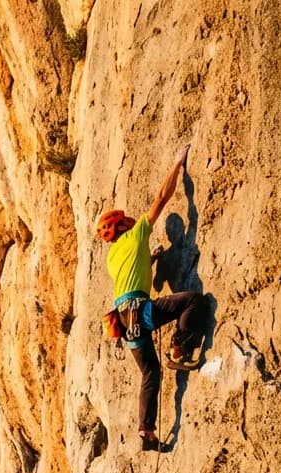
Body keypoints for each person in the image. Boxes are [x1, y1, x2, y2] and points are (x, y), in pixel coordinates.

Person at [99, 143, 204, 450]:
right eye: (126, 221)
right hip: (140, 309)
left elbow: (132, 272)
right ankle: (179, 348)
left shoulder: (113, 256)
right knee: (192, 301)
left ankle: (146, 431)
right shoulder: (137, 234)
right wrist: (176, 165)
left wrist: (154, 257)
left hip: (123, 321)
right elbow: (161, 198)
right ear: (122, 226)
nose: (131, 221)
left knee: (150, 372)